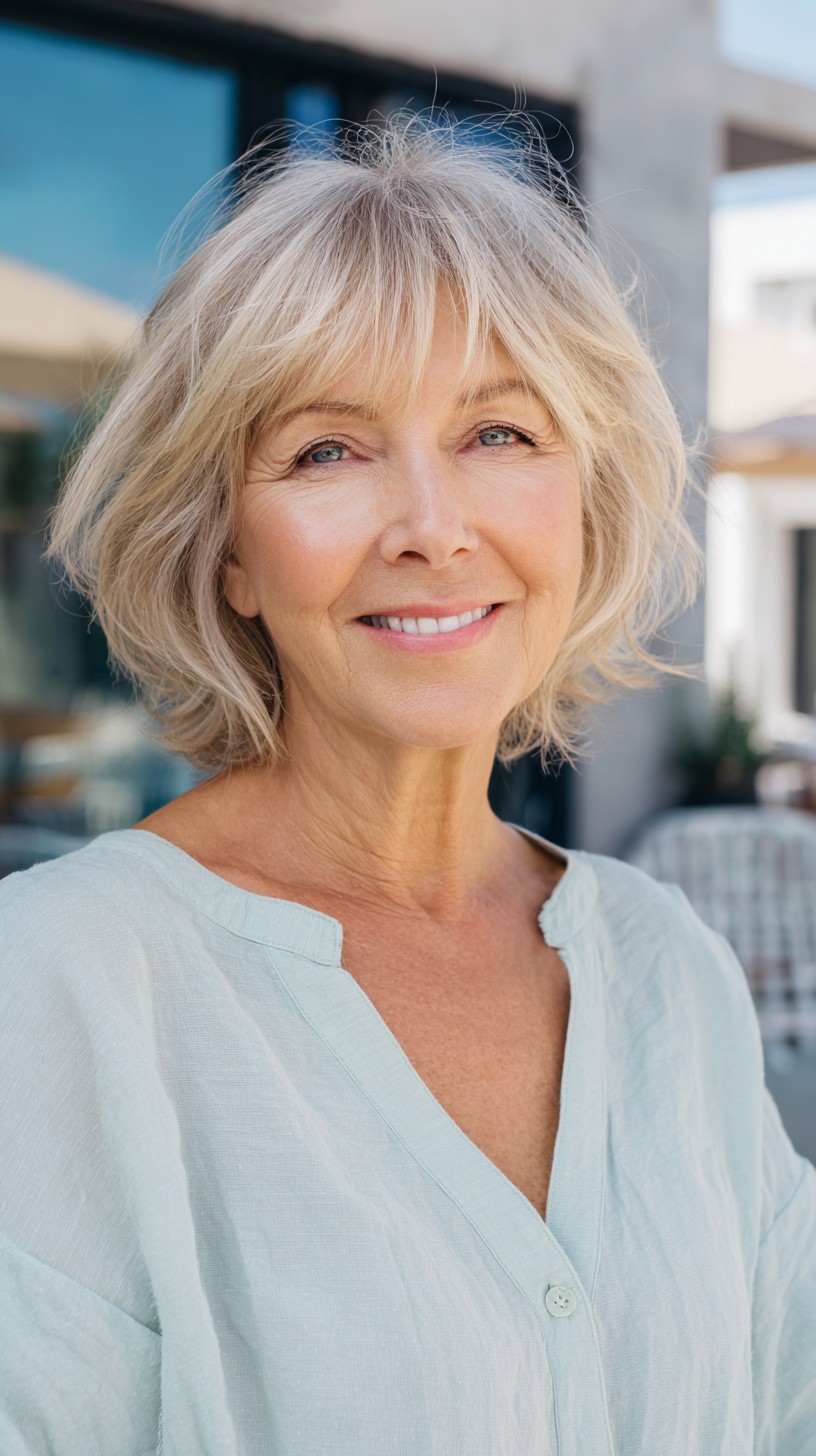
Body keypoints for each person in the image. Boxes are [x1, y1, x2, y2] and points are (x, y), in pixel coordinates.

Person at [1, 115, 813, 1455]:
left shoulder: (670, 968)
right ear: (231, 557)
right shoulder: (68, 985)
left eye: (500, 432)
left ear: (583, 503)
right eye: (328, 451)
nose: (434, 527)